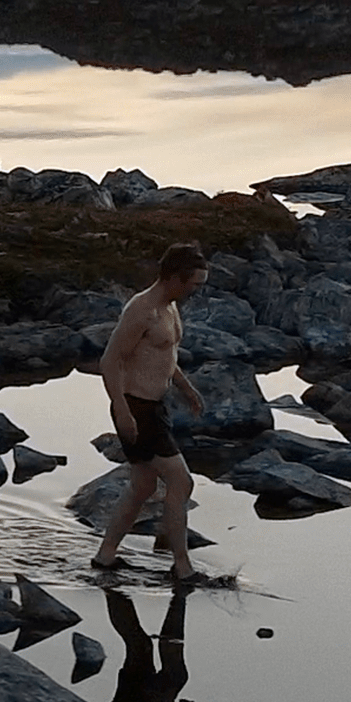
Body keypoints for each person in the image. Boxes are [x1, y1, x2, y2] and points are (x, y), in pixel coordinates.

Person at [90, 240, 209, 581]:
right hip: (137, 408)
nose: (196, 291)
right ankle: (183, 567)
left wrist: (186, 388)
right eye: (194, 284)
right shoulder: (141, 310)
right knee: (180, 482)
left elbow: (163, 356)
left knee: (142, 486)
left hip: (154, 406)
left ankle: (105, 556)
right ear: (174, 278)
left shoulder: (169, 307)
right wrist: (122, 410)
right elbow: (110, 361)